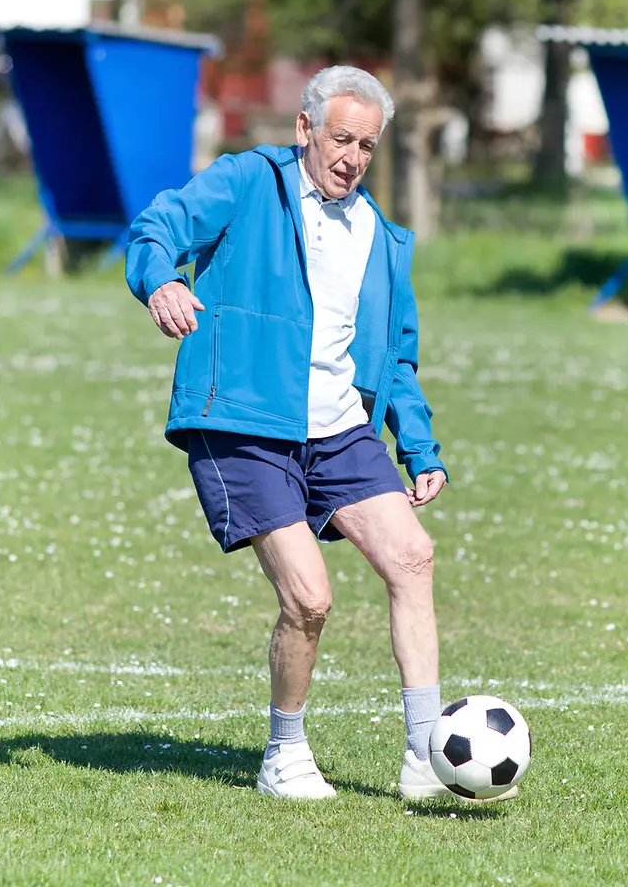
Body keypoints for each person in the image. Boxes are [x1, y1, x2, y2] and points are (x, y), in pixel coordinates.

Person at [124, 66, 508, 804]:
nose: (352, 157)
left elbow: (395, 358)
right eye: (341, 139)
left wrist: (418, 446)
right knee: (309, 597)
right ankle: (284, 753)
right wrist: (160, 280)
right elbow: (158, 226)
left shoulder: (382, 238)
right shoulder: (246, 182)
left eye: (367, 145)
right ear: (305, 129)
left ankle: (427, 753)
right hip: (243, 420)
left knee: (412, 556)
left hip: (339, 428)